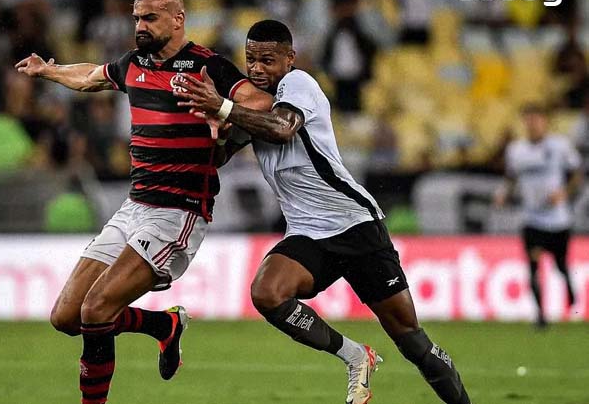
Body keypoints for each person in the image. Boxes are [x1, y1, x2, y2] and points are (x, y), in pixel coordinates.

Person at [176, 20, 471, 404]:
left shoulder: (299, 86)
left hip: (354, 223)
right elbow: (218, 156)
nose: (257, 69)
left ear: (290, 59)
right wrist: (216, 127)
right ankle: (354, 356)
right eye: (251, 60)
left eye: (267, 60)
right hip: (307, 232)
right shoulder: (253, 106)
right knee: (267, 293)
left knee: (410, 338)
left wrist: (225, 107)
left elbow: (282, 128)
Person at [14, 0, 270, 404]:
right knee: (66, 316)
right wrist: (49, 71)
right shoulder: (133, 64)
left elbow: (260, 103)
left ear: (178, 18)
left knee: (96, 310)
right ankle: (163, 326)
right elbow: (92, 77)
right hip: (134, 206)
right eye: (137, 18)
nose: (140, 26)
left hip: (179, 211)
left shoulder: (208, 67)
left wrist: (221, 109)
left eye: (150, 18)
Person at [494, 105, 581, 328]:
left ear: (545, 122)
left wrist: (565, 193)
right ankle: (540, 315)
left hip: (558, 219)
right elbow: (511, 177)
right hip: (531, 219)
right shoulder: (516, 150)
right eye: (529, 120)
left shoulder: (560, 146)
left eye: (537, 120)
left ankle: (569, 285)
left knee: (560, 264)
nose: (533, 124)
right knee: (533, 264)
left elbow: (577, 174)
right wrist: (504, 194)